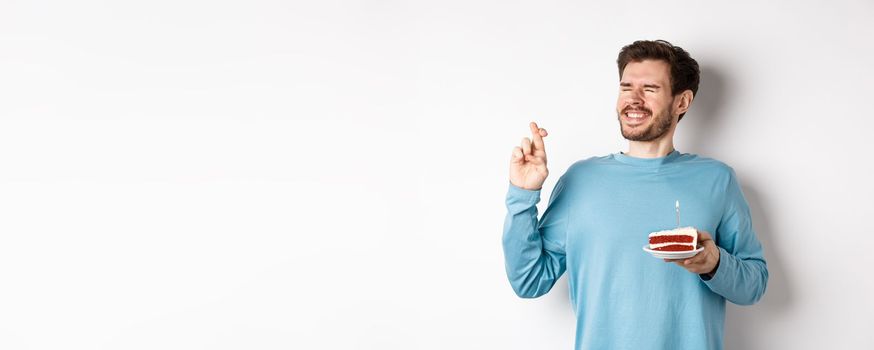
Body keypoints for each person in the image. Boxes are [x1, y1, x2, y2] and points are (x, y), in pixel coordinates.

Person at [502, 40, 768, 350]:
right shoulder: (581, 180)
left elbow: (754, 285)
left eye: (650, 89)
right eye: (626, 87)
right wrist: (523, 193)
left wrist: (714, 263)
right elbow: (528, 280)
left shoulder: (716, 179)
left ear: (681, 102)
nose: (633, 99)